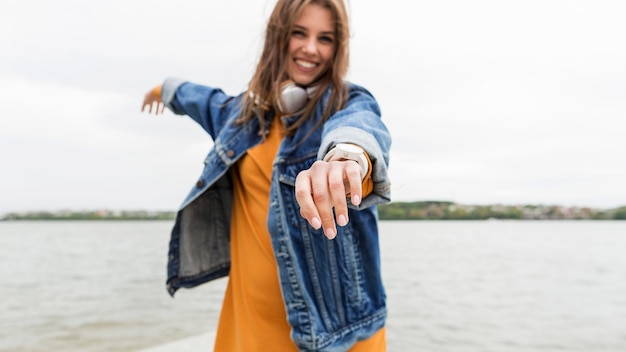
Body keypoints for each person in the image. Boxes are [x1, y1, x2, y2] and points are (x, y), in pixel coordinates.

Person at [141, 0, 391, 350]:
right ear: (278, 36)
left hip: (335, 336)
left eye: (325, 38)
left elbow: (361, 129)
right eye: (299, 33)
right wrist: (162, 90)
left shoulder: (348, 104)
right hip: (250, 328)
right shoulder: (238, 118)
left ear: (337, 49)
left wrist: (346, 157)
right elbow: (195, 97)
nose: (310, 48)